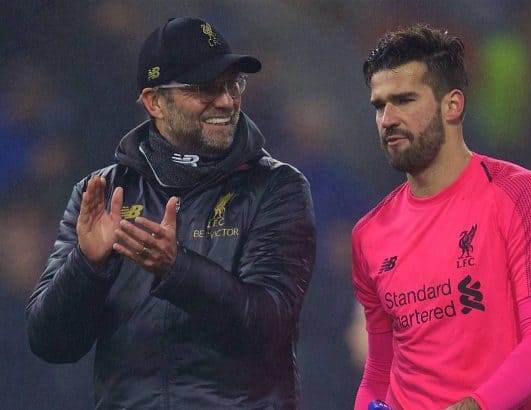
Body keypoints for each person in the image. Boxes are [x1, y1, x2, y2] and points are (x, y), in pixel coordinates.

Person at [26, 16, 315, 410]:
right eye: (204, 88)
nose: (226, 100)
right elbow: (50, 343)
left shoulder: (276, 187)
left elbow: (272, 326)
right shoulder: (100, 193)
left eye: (233, 84)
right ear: (154, 102)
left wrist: (176, 269)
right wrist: (87, 265)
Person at [351, 24, 531, 410]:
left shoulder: (528, 197)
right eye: (379, 105)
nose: (387, 118)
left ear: (452, 105)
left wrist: (474, 406)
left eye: (405, 99)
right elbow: (379, 370)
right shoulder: (369, 234)